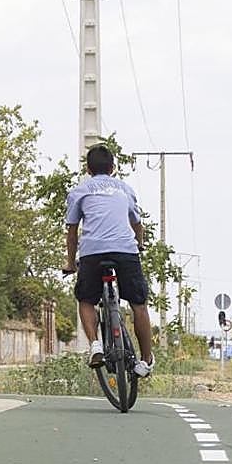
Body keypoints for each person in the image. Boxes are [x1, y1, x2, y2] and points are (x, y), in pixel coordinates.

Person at [62, 144, 156, 376]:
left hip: (92, 252)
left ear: (88, 169)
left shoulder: (80, 191)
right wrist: (140, 245)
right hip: (125, 251)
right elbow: (137, 225)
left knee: (85, 299)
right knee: (139, 304)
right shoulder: (125, 189)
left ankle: (95, 344)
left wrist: (71, 263)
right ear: (113, 168)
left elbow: (72, 232)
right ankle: (145, 361)